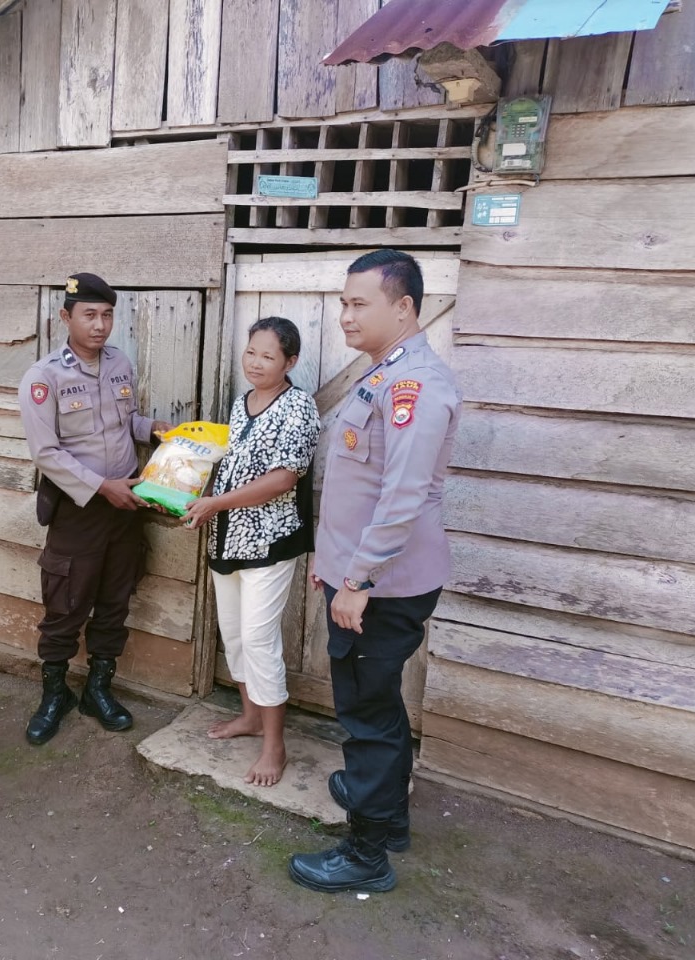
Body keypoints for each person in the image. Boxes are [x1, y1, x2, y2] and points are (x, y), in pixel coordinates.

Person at [288, 249, 462, 894]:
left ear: (405, 306)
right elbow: (359, 491)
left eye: (359, 303)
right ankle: (382, 810)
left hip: (380, 586)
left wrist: (356, 581)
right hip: (360, 576)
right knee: (373, 702)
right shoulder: (383, 375)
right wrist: (334, 568)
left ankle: (367, 852)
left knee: (366, 712)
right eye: (343, 302)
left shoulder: (416, 386)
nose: (345, 315)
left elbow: (401, 496)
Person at [17, 273, 169, 745]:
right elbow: (46, 454)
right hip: (79, 509)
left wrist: (153, 429)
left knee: (114, 599)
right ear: (66, 317)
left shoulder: (120, 363)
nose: (100, 325)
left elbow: (124, 423)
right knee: (64, 603)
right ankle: (55, 692)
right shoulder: (44, 378)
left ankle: (97, 690)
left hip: (127, 504)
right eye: (89, 315)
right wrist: (102, 487)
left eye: (107, 315)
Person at [182, 317, 320, 787]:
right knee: (235, 635)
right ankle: (250, 716)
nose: (256, 363)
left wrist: (215, 502)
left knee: (261, 642)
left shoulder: (299, 408)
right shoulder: (241, 406)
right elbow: (228, 465)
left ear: (290, 362)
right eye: (251, 352)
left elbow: (284, 478)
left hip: (271, 542)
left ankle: (274, 747)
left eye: (268, 356)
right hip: (228, 538)